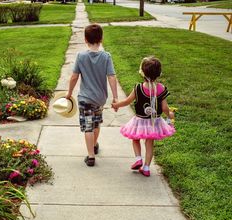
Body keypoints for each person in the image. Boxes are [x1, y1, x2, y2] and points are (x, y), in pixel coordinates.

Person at [111, 56, 175, 177]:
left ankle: (138, 159)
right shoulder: (161, 89)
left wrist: (116, 105)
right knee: (149, 143)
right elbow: (165, 108)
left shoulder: (138, 88)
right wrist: (170, 115)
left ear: (143, 72)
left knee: (135, 139)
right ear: (159, 73)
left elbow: (127, 101)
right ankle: (146, 168)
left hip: (140, 121)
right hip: (154, 122)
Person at [65, 23, 118, 167]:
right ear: (101, 39)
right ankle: (94, 145)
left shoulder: (81, 56)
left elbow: (74, 77)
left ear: (85, 40)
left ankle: (90, 156)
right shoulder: (106, 56)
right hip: (100, 99)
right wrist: (115, 97)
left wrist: (69, 93)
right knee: (96, 122)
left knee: (88, 126)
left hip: (85, 99)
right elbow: (112, 77)